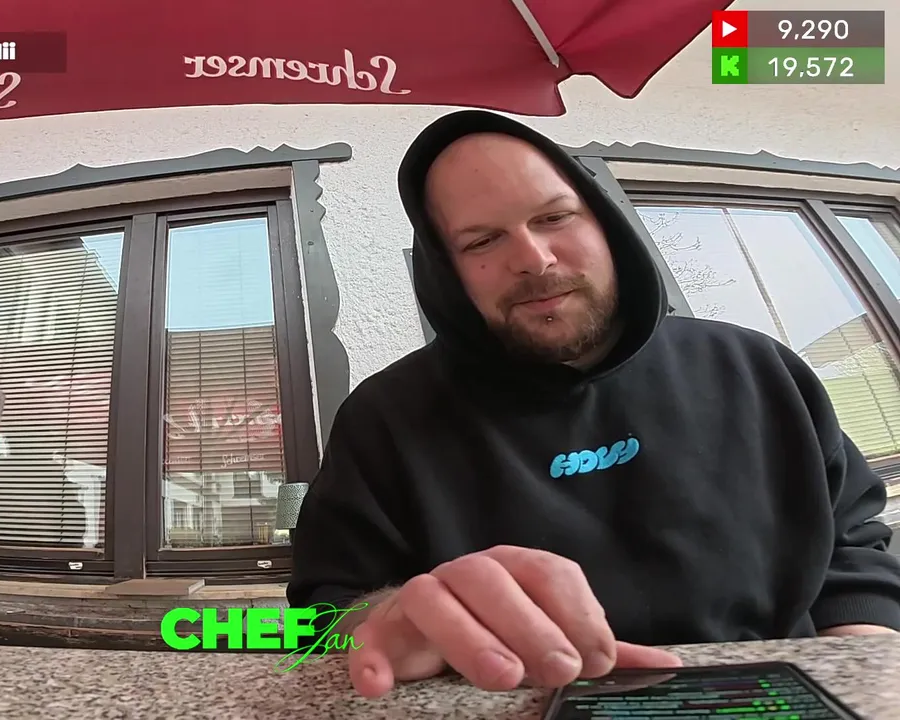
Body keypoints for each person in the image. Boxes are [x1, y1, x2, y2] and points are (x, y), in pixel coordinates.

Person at [287, 111, 900, 698]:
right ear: (445, 270)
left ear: (606, 222)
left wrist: (859, 674)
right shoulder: (382, 420)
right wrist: (387, 620)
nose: (533, 259)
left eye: (555, 217)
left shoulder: (757, 367)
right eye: (482, 240)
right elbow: (319, 619)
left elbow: (851, 546)